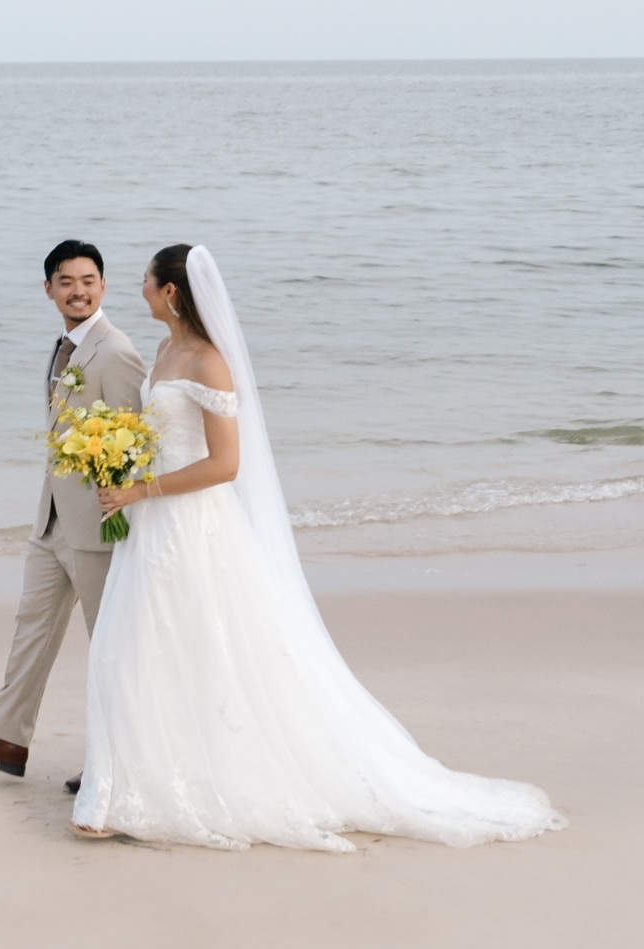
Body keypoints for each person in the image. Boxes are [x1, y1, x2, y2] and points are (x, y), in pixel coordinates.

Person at [69, 244, 567, 850]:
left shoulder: (208, 362)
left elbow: (226, 464)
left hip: (190, 524)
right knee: (133, 650)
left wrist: (143, 488)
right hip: (150, 525)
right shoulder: (166, 349)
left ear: (170, 292)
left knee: (182, 646)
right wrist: (120, 465)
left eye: (146, 280)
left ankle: (150, 792)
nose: (140, 288)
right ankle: (125, 786)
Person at [0, 240, 146, 790]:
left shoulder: (116, 350)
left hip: (99, 527)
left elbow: (139, 442)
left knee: (109, 648)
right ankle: (6, 734)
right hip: (52, 520)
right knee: (31, 628)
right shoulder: (65, 346)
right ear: (49, 288)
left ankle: (116, 762)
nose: (79, 290)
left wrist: (122, 507)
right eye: (67, 281)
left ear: (104, 286)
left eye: (89, 280)